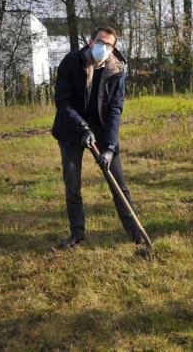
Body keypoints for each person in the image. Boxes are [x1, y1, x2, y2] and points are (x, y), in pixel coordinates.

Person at [51, 26, 141, 248]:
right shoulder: (72, 62)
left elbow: (114, 110)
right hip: (72, 129)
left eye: (108, 45)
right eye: (100, 42)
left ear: (113, 48)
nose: (103, 47)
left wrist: (109, 148)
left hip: (101, 130)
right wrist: (82, 128)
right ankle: (77, 234)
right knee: (72, 186)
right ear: (91, 42)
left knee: (119, 184)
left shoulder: (117, 71)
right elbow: (63, 102)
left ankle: (135, 232)